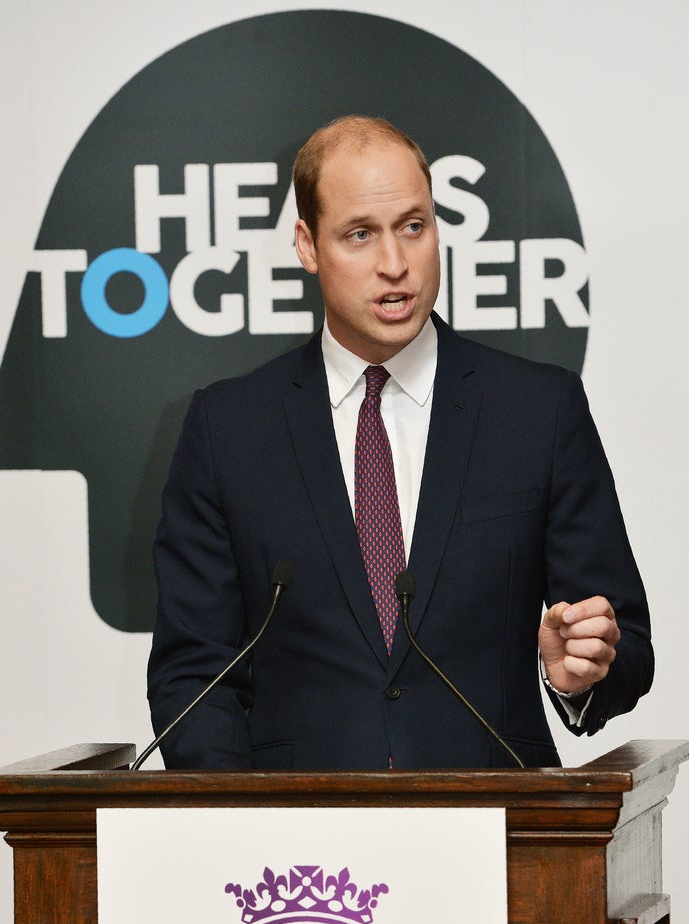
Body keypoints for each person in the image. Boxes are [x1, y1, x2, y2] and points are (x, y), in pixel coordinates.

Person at [147, 116, 653, 770]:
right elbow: (194, 674)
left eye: (414, 226)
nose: (395, 264)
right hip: (301, 855)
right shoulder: (228, 429)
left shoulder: (538, 410)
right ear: (307, 245)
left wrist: (577, 674)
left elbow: (627, 643)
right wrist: (249, 828)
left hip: (503, 835)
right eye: (360, 235)